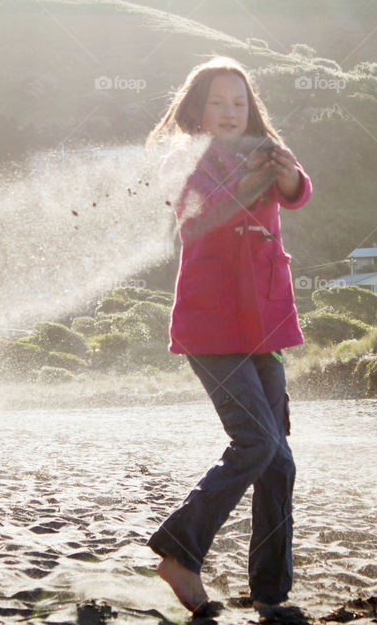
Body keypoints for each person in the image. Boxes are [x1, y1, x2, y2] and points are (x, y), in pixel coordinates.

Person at [145, 56, 312, 616]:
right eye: (217, 102)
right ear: (197, 109)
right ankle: (178, 551)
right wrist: (246, 180)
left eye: (238, 102)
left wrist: (284, 172)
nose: (229, 112)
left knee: (280, 460)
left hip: (262, 321)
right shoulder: (183, 159)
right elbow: (197, 218)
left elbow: (297, 192)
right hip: (210, 324)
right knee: (256, 442)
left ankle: (269, 592)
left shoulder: (263, 149)